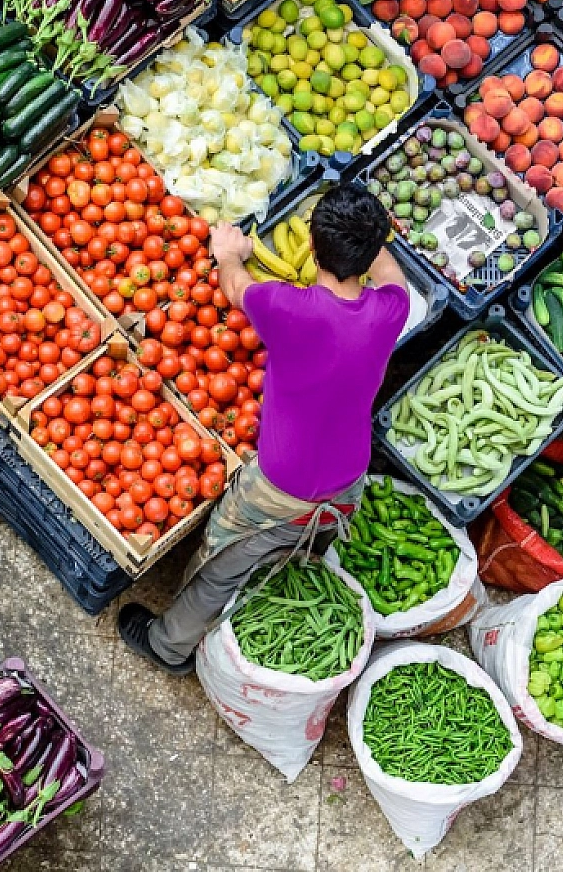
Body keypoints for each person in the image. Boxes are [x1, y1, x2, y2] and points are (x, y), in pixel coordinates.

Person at [117, 182, 410, 673]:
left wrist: (228, 254)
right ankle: (286, 563)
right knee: (300, 542)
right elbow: (392, 275)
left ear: (311, 246)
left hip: (278, 486)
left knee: (221, 566)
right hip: (347, 480)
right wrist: (369, 237)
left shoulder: (287, 307)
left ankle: (168, 646)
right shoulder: (391, 311)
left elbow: (234, 287)